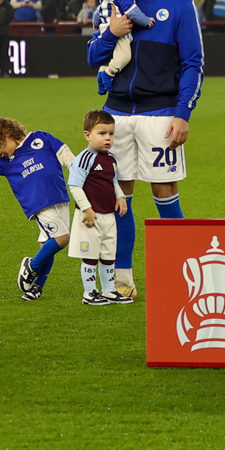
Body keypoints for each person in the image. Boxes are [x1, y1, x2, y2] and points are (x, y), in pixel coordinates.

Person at [87, 0, 205, 297]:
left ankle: (181, 275)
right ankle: (123, 278)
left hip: (160, 114)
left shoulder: (182, 6)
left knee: (165, 191)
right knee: (119, 197)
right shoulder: (119, 1)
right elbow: (93, 57)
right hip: (117, 115)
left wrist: (183, 113)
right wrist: (112, 32)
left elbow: (193, 64)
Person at [0, 118, 105, 301]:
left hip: (60, 198)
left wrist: (79, 173)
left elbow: (64, 155)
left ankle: (36, 288)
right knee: (62, 239)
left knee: (47, 246)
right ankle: (31, 267)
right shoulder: (7, 162)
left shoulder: (40, 139)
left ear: (6, 135)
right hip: (39, 205)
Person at [67, 110, 131, 304]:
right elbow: (75, 186)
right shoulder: (85, 159)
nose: (108, 138)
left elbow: (113, 182)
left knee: (108, 255)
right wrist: (86, 209)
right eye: (102, 133)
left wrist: (120, 197)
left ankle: (109, 290)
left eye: (111, 134)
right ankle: (89, 292)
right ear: (87, 135)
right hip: (90, 217)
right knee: (90, 256)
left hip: (108, 216)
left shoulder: (110, 159)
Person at [93, 0, 155, 95]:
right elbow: (132, 12)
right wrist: (145, 20)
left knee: (110, 57)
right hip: (119, 31)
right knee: (125, 56)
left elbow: (98, 11)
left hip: (104, 29)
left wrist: (95, 23)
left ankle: (101, 76)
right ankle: (109, 74)